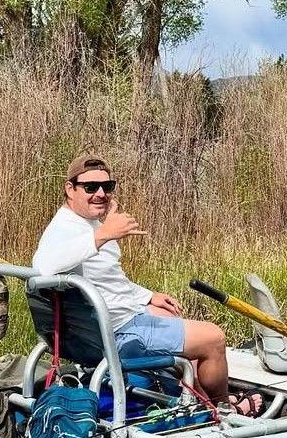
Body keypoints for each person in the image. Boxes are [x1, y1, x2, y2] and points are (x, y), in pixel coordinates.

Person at [32, 154, 260, 414]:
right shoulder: (66, 229)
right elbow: (42, 269)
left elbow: (108, 279)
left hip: (103, 327)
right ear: (70, 189)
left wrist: (148, 295)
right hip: (115, 334)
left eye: (107, 187)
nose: (100, 194)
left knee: (168, 312)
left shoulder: (85, 224)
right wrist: (104, 234)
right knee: (213, 338)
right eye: (90, 187)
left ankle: (200, 401)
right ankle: (225, 408)